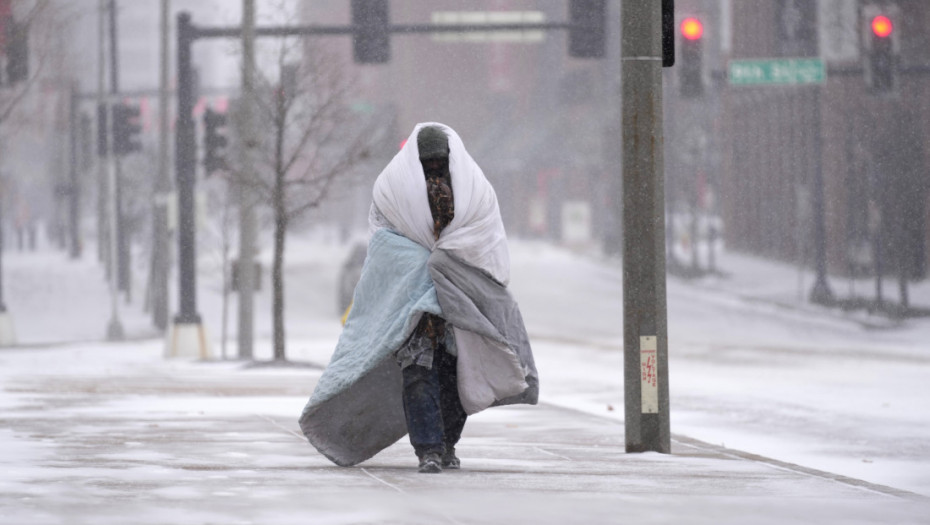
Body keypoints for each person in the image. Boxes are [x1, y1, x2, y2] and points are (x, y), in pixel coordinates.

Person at [299, 122, 538, 473]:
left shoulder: (474, 191)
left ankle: (446, 445)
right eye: (428, 165)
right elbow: (385, 244)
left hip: (459, 301)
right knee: (418, 373)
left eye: (439, 165)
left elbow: (484, 241)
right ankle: (428, 449)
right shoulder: (394, 190)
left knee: (457, 377)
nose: (434, 172)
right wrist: (425, 262)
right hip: (411, 299)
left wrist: (446, 261)